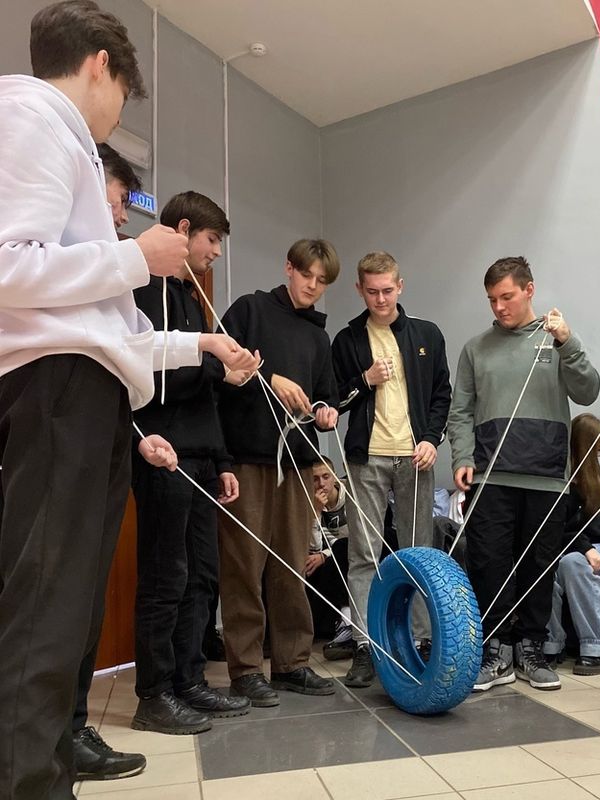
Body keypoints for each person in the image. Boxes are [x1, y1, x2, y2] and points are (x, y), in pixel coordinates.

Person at [0, 2, 258, 797]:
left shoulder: (63, 140)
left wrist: (201, 344)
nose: (117, 116)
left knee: (70, 604)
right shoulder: (33, 115)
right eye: (122, 95)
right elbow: (9, 267)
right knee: (48, 602)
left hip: (87, 388)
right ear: (101, 64)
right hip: (57, 387)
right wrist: (134, 258)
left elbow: (111, 333)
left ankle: (50, 760)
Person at [131, 192, 254, 735]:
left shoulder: (188, 294)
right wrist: (215, 366)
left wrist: (222, 457)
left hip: (201, 457)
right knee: (167, 577)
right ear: (183, 230)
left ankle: (189, 680)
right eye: (212, 239)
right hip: (165, 455)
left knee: (202, 576)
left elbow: (202, 392)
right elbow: (155, 379)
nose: (217, 252)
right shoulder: (144, 289)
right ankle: (155, 694)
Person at [448, 256, 600, 692]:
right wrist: (462, 457)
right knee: (489, 566)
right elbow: (460, 412)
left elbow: (588, 390)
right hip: (490, 478)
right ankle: (495, 653)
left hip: (547, 478)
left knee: (539, 567)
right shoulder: (475, 349)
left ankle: (532, 650)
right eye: (492, 300)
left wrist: (568, 342)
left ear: (529, 290)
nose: (499, 307)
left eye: (507, 297)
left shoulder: (557, 339)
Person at [217, 239, 340, 707]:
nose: (313, 286)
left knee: (291, 564)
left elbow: (325, 394)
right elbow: (219, 365)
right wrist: (269, 378)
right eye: (307, 275)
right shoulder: (250, 310)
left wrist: (325, 412)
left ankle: (291, 663)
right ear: (288, 268)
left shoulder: (318, 337)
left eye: (322, 281)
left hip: (298, 461)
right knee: (244, 566)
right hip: (249, 458)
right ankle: (247, 670)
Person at [331, 251, 451, 688]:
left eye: (387, 290)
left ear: (400, 286)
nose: (380, 299)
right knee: (364, 554)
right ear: (359, 290)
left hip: (415, 456)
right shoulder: (347, 339)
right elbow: (333, 399)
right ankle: (366, 645)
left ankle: (420, 641)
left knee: (419, 552)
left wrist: (431, 439)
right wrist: (365, 380)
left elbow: (442, 394)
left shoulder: (426, 334)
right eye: (371, 291)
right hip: (366, 457)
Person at [70, 143, 145, 780]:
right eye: (120, 202)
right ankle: (46, 742)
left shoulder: (101, 273)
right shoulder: (58, 259)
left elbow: (127, 348)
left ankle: (68, 730)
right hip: (59, 424)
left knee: (82, 596)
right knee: (57, 597)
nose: (122, 217)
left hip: (109, 425)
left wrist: (205, 344)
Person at [544, 414, 600, 676]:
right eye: (598, 446)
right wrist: (583, 547)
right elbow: (557, 528)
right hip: (575, 547)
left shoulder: (592, 478)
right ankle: (550, 644)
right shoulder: (559, 479)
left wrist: (587, 548)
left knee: (573, 562)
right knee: (544, 569)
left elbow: (595, 525)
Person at [304, 457, 352, 659]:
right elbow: (314, 547)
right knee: (308, 564)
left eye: (326, 477)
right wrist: (315, 511)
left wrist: (324, 555)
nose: (321, 484)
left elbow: (356, 539)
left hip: (351, 554)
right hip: (329, 563)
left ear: (335, 478)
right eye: (315, 479)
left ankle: (347, 621)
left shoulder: (350, 496)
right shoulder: (309, 501)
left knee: (341, 547)